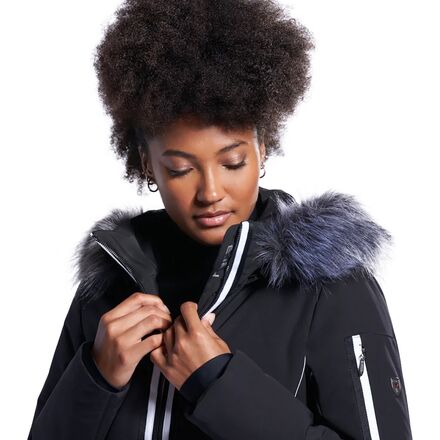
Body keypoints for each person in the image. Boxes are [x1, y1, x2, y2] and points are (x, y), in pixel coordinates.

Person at [27, 0, 413, 439]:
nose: (210, 192)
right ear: (147, 165)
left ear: (262, 148)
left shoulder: (329, 286)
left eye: (232, 162)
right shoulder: (108, 286)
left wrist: (218, 384)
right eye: (180, 169)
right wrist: (96, 377)